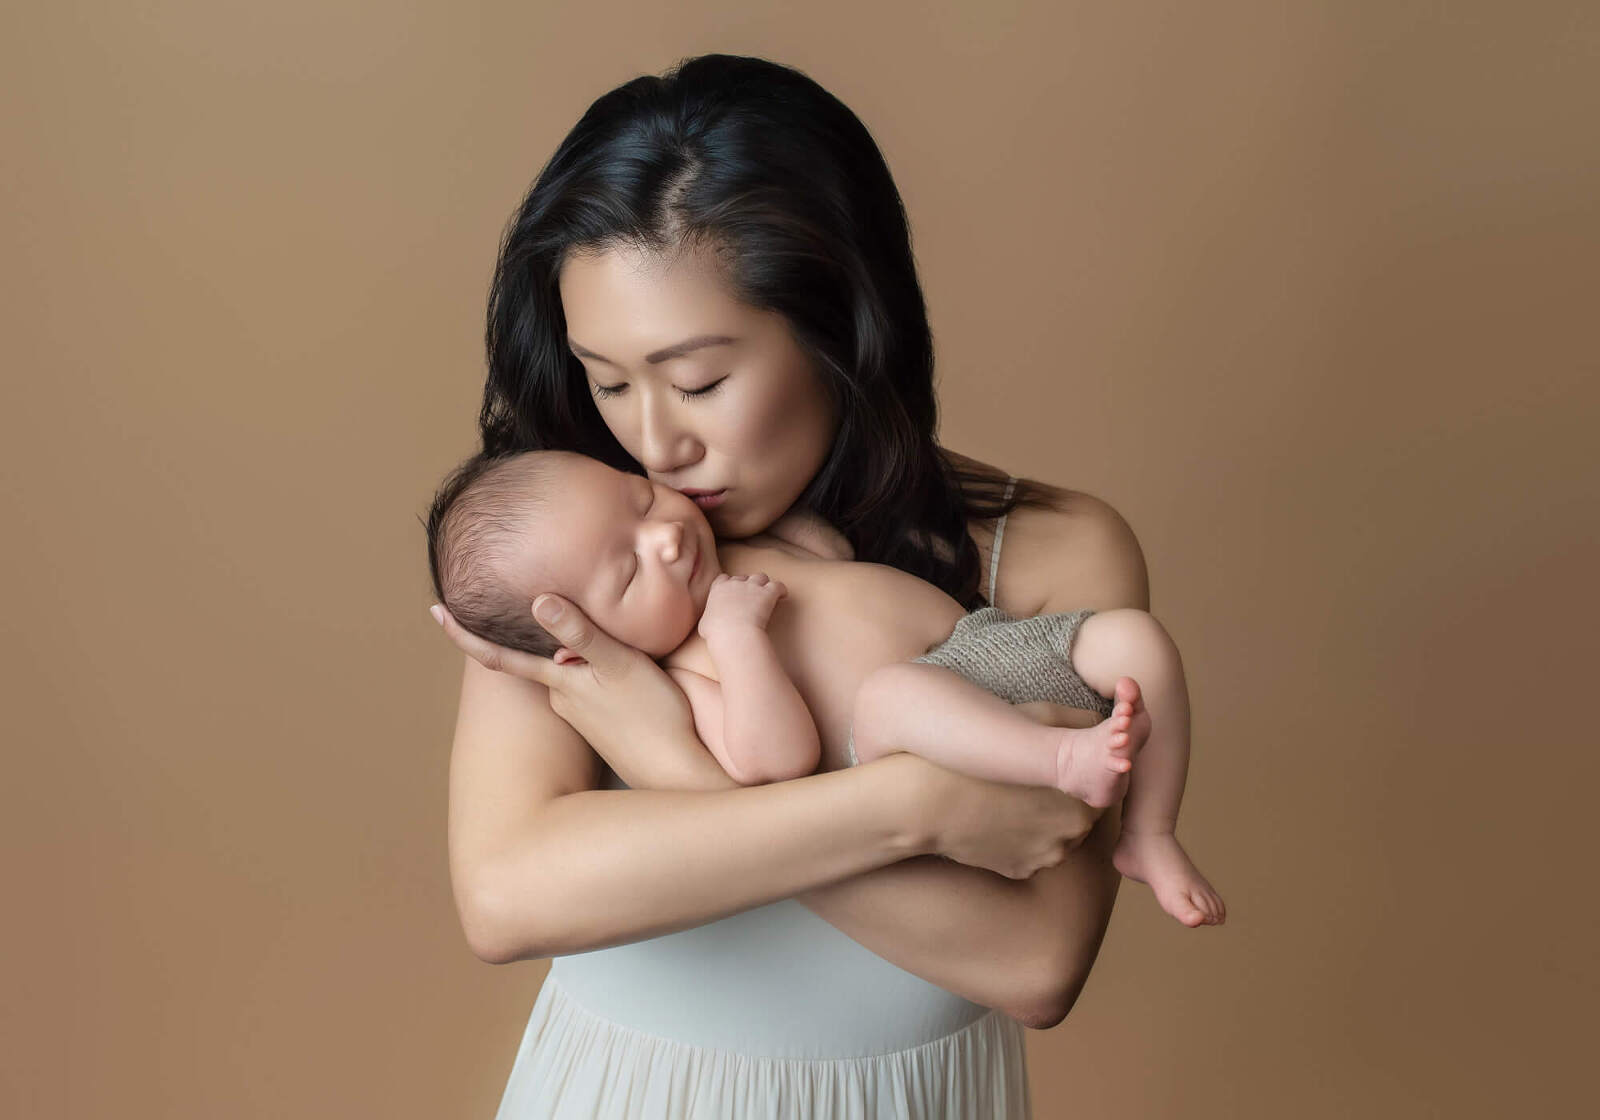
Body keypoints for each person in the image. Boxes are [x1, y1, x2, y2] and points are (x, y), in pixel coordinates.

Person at [429, 53, 1158, 1118]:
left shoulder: (1050, 551)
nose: (653, 443)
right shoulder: (584, 542)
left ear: (839, 332)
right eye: (608, 380)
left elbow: (1035, 959)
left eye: (698, 381)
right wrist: (912, 806)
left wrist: (673, 763)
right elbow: (506, 893)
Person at [427, 448, 1225, 927]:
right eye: (630, 568)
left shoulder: (733, 529)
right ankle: (1059, 761)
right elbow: (772, 762)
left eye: (639, 499)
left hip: (980, 647)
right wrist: (737, 641)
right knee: (893, 696)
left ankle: (1150, 833)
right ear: (583, 643)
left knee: (1135, 640)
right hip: (902, 719)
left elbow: (839, 558)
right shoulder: (680, 672)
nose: (665, 535)